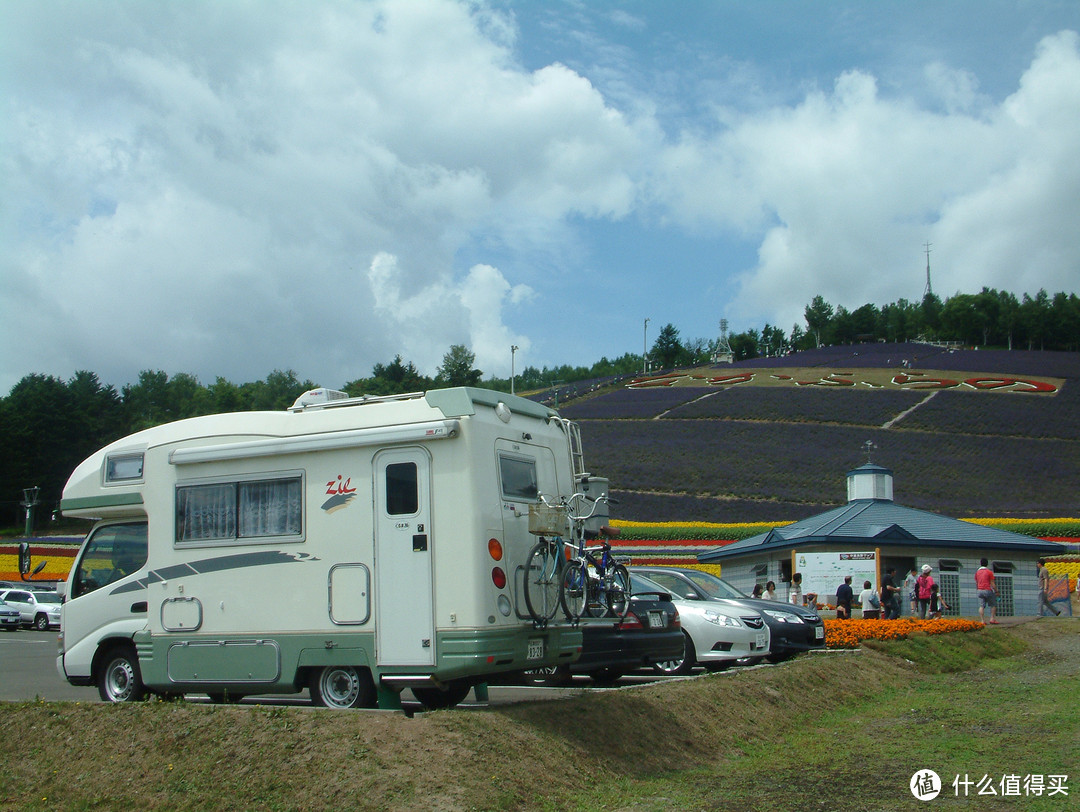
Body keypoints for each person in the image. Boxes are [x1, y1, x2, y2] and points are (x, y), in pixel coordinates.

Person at [975, 558, 998, 624]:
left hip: (980, 590)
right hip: (987, 589)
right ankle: (992, 619)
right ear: (987, 564)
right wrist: (996, 591)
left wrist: (978, 588)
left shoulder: (977, 572)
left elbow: (977, 582)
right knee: (993, 605)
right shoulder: (989, 572)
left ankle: (982, 620)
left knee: (981, 606)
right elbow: (992, 583)